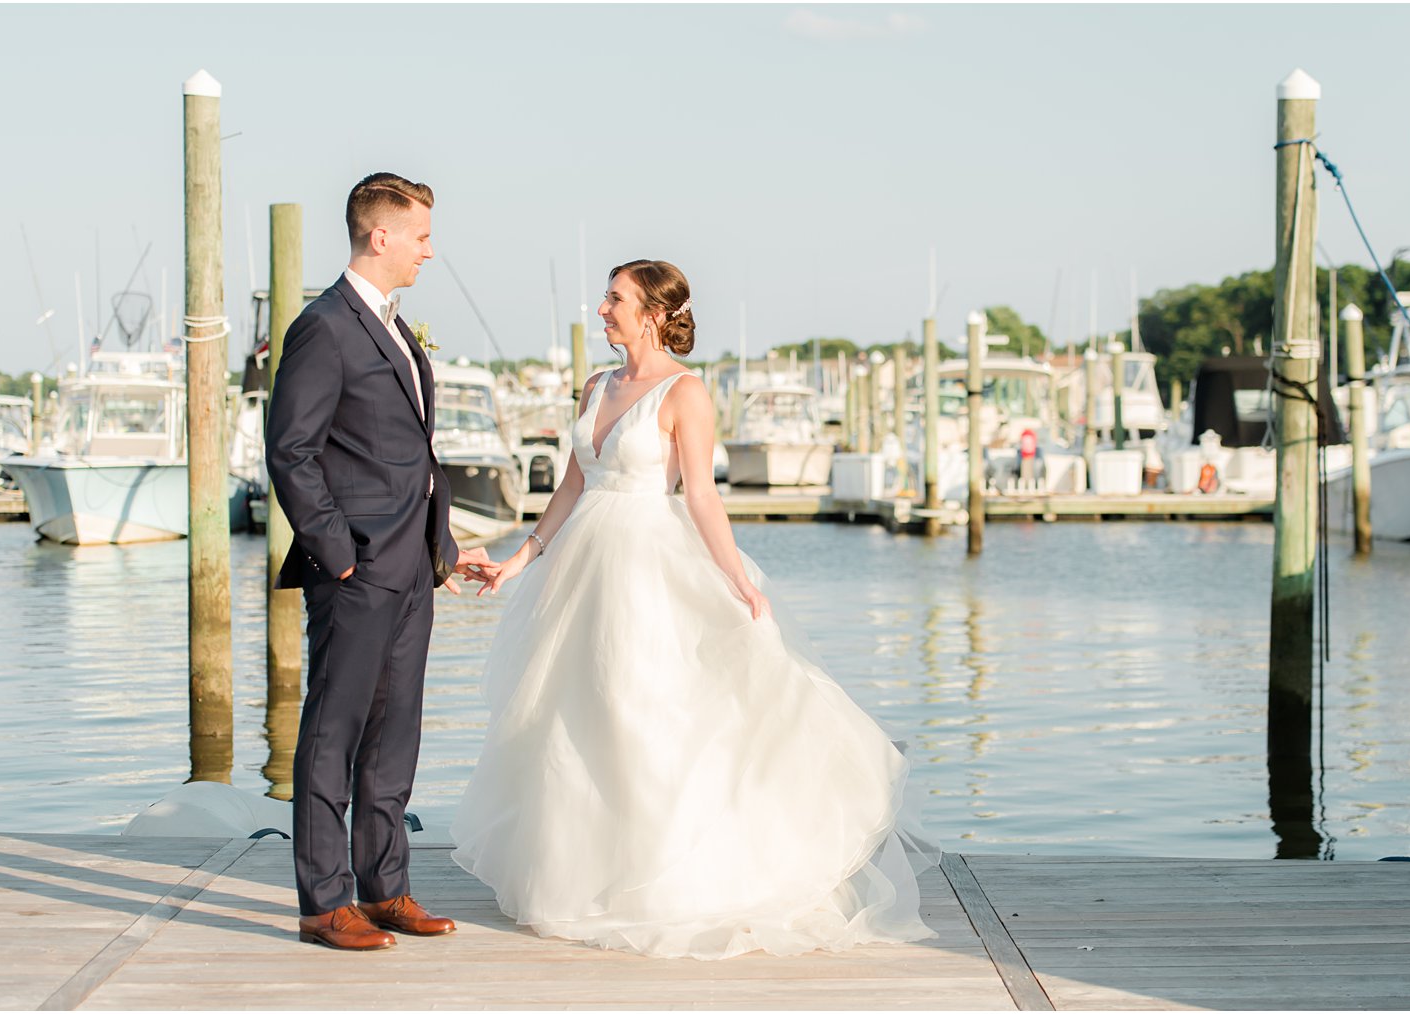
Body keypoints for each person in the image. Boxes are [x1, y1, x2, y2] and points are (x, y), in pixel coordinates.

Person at [449, 259, 939, 960]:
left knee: (642, 710)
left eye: (613, 299)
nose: (601, 309)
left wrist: (737, 579)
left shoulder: (685, 392)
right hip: (580, 568)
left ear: (650, 312)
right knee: (571, 714)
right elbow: (571, 487)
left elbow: (702, 496)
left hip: (646, 562)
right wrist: (518, 559)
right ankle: (581, 874)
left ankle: (661, 880)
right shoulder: (595, 386)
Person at [266, 172, 497, 951]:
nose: (431, 249)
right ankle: (324, 901)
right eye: (422, 234)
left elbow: (411, 458)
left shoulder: (397, 327)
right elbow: (292, 452)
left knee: (396, 731)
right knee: (334, 730)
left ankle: (385, 887)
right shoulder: (324, 326)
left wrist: (445, 546)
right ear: (381, 235)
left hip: (414, 566)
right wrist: (338, 555)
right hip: (358, 571)